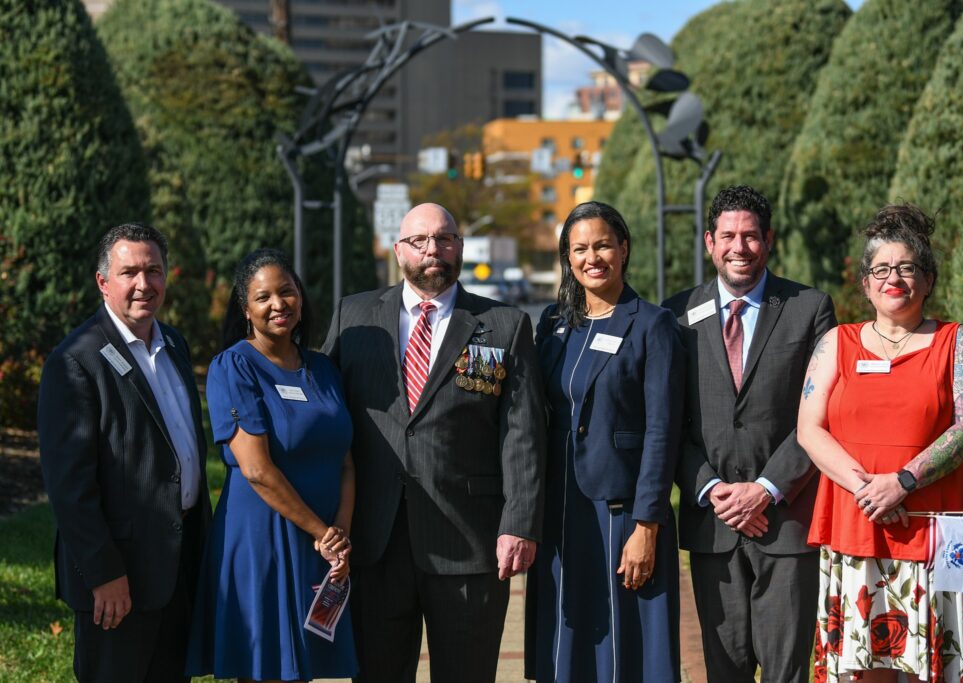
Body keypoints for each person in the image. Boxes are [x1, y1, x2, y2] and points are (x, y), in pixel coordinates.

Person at [321, 203, 546, 682]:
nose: (433, 251)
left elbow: (523, 433)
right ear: (398, 250)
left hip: (469, 540)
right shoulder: (354, 316)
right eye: (420, 241)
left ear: (460, 248)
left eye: (444, 239)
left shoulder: (505, 324)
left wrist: (519, 522)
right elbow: (324, 415)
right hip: (375, 538)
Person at [797, 203, 963, 683]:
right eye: (881, 269)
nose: (894, 278)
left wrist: (902, 482)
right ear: (864, 283)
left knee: (941, 664)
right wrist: (872, 491)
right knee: (864, 666)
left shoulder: (957, 341)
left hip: (936, 527)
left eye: (907, 268)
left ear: (928, 280)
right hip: (857, 521)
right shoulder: (836, 343)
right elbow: (809, 428)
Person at [662, 185, 836, 683]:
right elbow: (668, 422)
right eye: (729, 236)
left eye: (751, 236)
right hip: (712, 523)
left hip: (785, 520)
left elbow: (820, 414)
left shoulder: (810, 309)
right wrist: (712, 489)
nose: (739, 247)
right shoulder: (674, 316)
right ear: (709, 242)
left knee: (787, 669)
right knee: (725, 668)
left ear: (769, 241)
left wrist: (765, 489)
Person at [37, 223, 211, 682]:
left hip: (177, 568)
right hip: (118, 581)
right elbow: (69, 485)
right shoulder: (76, 360)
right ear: (103, 282)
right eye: (129, 272)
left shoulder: (173, 344)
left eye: (153, 270)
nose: (143, 284)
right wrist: (102, 573)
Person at [525, 202, 684, 682]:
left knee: (626, 652)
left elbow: (663, 431)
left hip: (619, 514)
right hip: (559, 511)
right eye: (580, 249)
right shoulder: (554, 323)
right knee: (565, 643)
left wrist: (647, 525)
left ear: (624, 249)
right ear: (567, 258)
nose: (592, 257)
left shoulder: (652, 324)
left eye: (602, 245)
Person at [186, 249, 358, 681]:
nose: (278, 304)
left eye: (287, 292)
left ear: (301, 297)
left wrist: (340, 534)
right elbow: (257, 470)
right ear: (245, 309)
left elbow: (347, 462)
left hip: (321, 544)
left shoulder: (323, 369)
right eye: (263, 297)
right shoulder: (234, 367)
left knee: (306, 667)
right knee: (266, 669)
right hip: (263, 539)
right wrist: (323, 533)